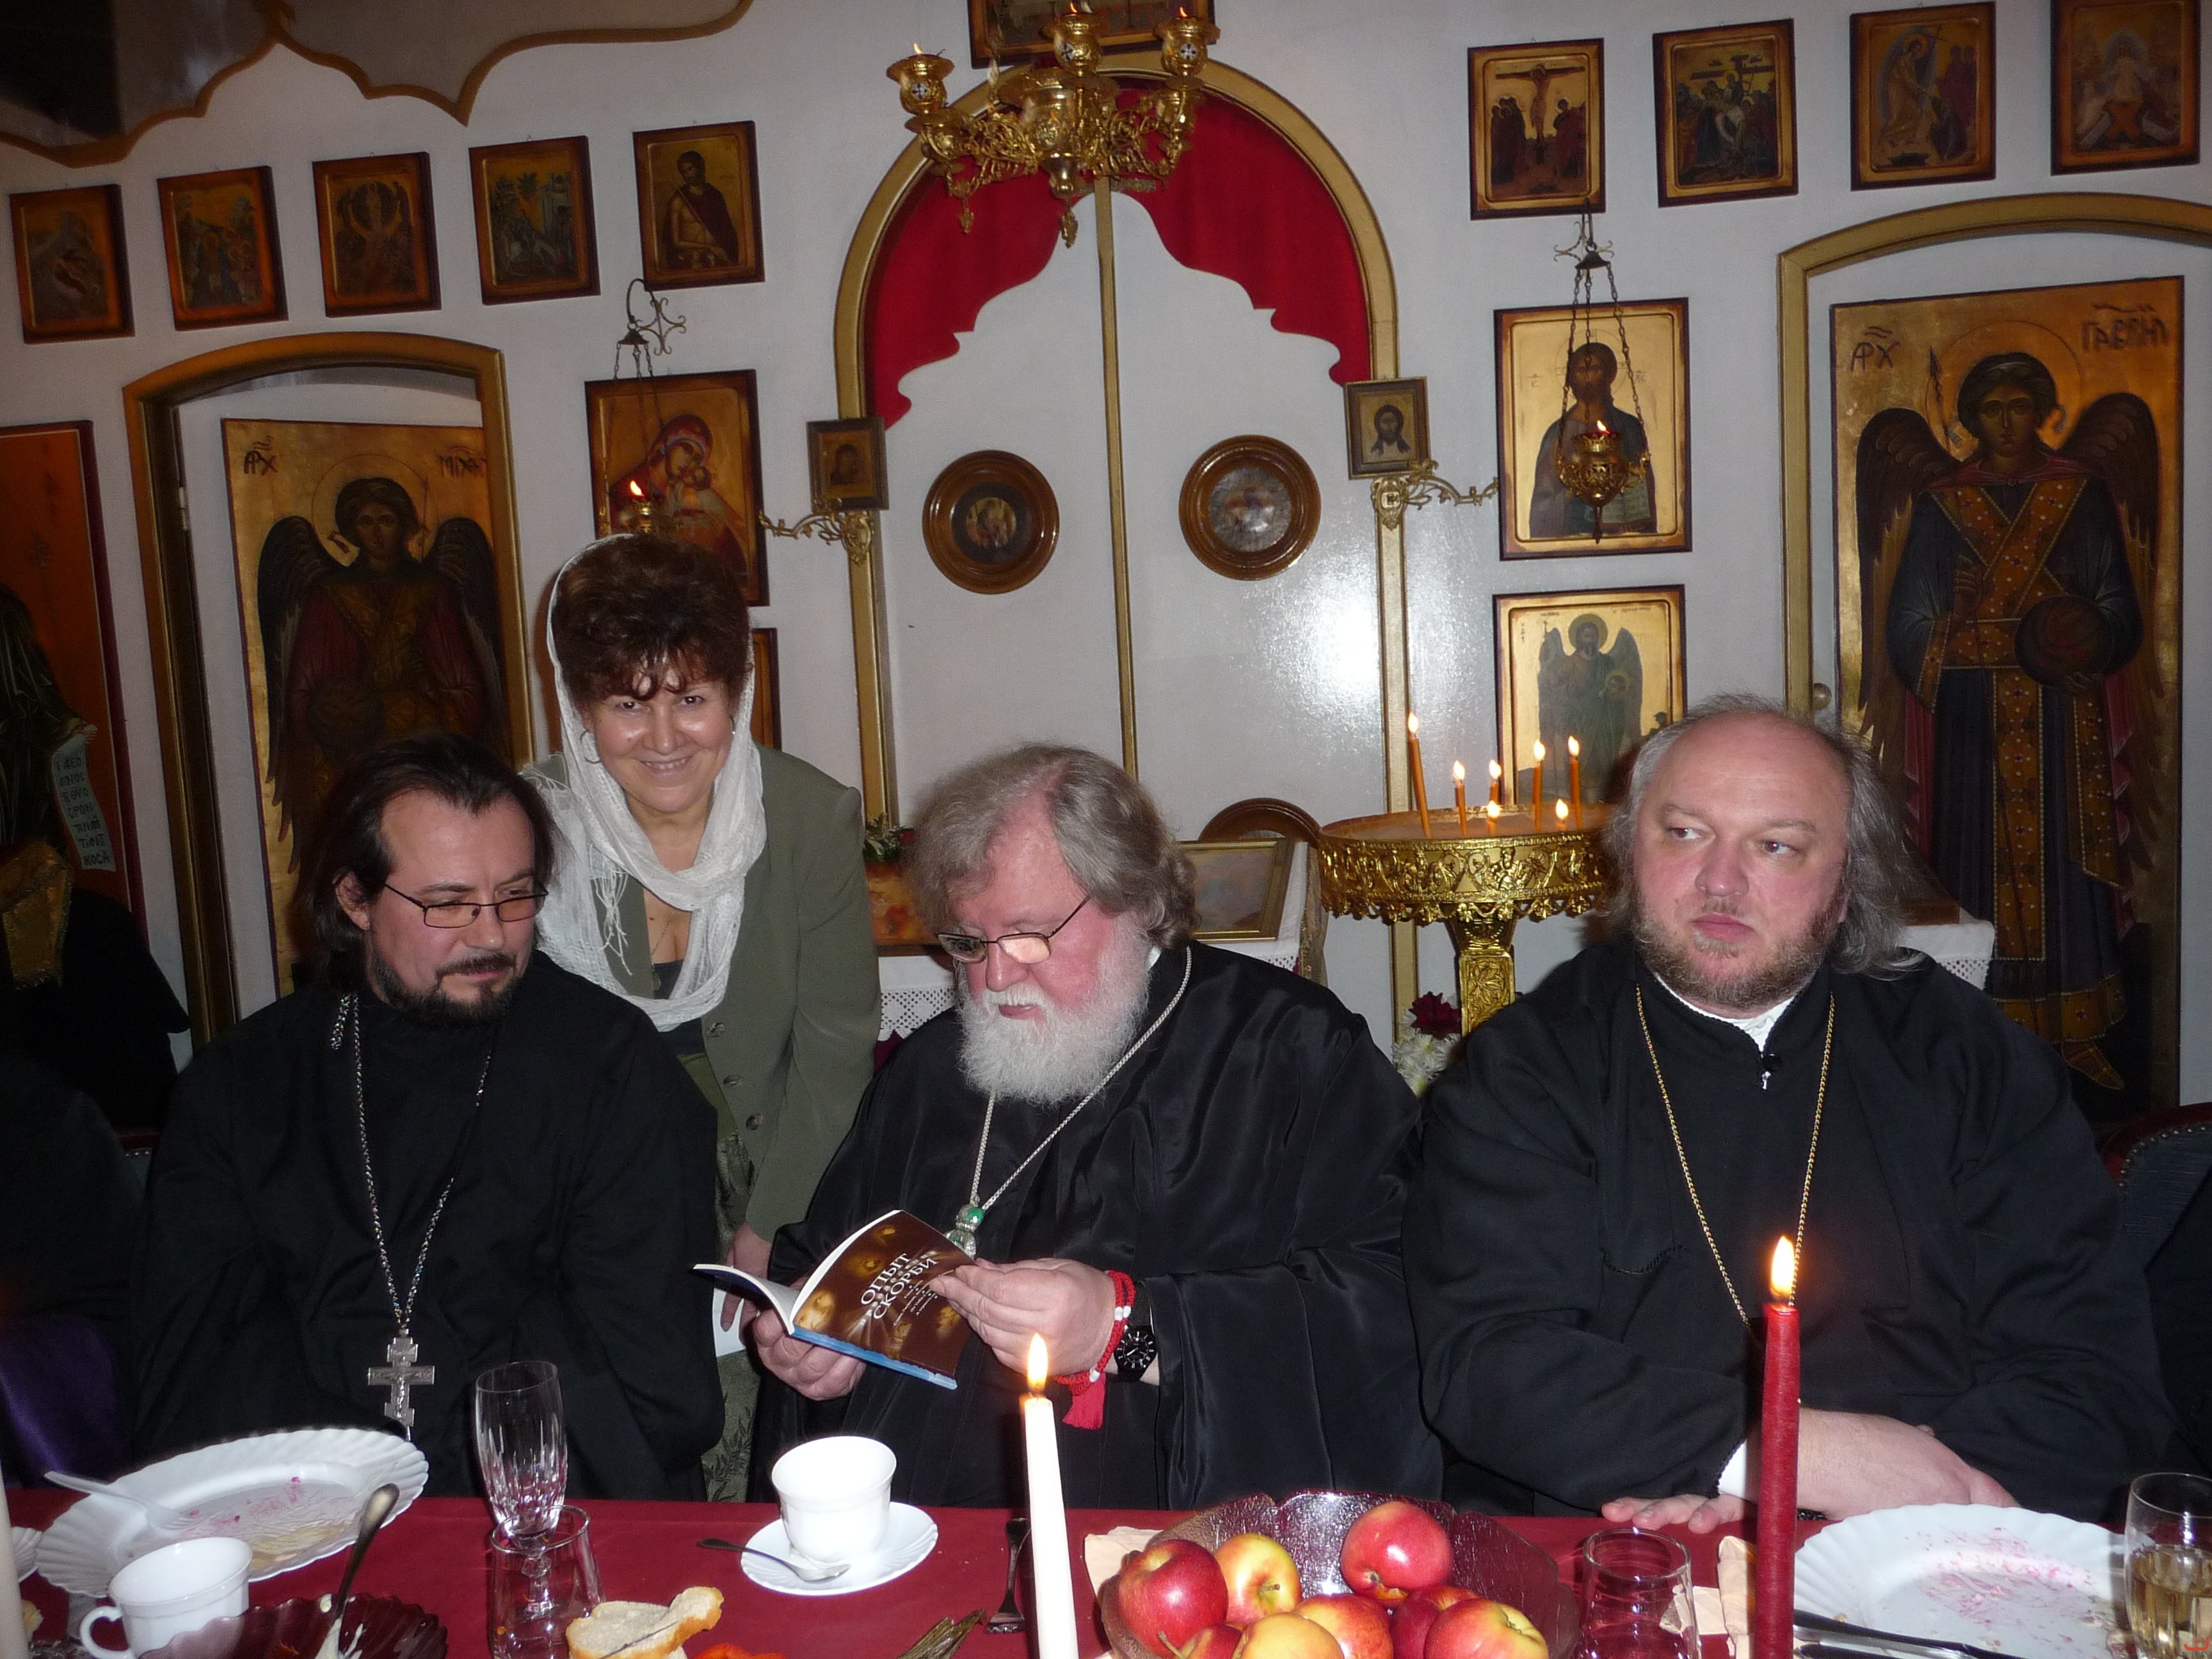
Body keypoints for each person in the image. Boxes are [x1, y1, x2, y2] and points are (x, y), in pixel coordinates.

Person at [1403, 696, 2171, 1523]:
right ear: (1628, 853)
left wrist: (1906, 1493)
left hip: (1942, 1538)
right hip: (1637, 1543)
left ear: (1845, 890)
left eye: (1776, 846)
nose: (1720, 881)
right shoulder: (1530, 1067)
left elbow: (2093, 1372)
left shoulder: (1966, 1057)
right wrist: (1770, 1459)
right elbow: (1492, 1361)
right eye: (1685, 832)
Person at [750, 744, 1439, 1509]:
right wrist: (814, 1337)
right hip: (918, 1521)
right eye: (968, 942)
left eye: (1029, 934)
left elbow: (1386, 1302)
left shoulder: (1289, 1052)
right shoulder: (933, 1069)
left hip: (1165, 1533)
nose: (994, 977)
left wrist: (1124, 1328)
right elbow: (832, 1256)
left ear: (1136, 901)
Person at [133, 733, 723, 1498]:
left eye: (515, 895)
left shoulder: (610, 1064)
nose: (491, 935)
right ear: (354, 899)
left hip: (549, 1501)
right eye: (447, 904)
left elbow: (646, 1372)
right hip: (308, 1507)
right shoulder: (241, 1087)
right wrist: (361, 1482)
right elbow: (197, 1368)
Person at [527, 535, 878, 1500]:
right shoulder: (526, 824)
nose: (663, 737)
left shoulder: (808, 816)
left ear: (738, 693)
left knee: (753, 1442)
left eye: (691, 698)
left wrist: (773, 1221)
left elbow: (836, 1045)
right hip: (588, 1183)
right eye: (626, 703)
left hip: (769, 1167)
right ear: (580, 707)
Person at [1882, 351, 2147, 1088]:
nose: (2005, 423)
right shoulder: (1944, 504)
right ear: (1971, 418)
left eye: (2018, 407)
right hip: (1972, 719)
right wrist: (1957, 618)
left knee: (2064, 868)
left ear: (2041, 411)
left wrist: (2086, 637)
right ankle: (1981, 1034)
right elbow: (1907, 628)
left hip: (2061, 710)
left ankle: (2077, 1034)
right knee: (1977, 864)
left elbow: (2119, 607)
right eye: (1991, 410)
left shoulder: (2078, 494)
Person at [1528, 341, 1654, 540]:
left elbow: (1641, 481)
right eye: (1581, 370)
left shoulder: (1628, 426)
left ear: (1608, 375)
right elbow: (1544, 499)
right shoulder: (1558, 433)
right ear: (1572, 377)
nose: (1588, 376)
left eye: (1595, 369)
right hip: (1573, 532)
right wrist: (1572, 488)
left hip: (1619, 534)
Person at [664, 150, 742, 269]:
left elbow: (726, 229)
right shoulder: (679, 200)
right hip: (691, 259)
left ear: (700, 167)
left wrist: (722, 249)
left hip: (716, 257)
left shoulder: (714, 195)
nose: (688, 174)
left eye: (690, 169)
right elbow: (675, 242)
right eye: (684, 172)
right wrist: (708, 247)